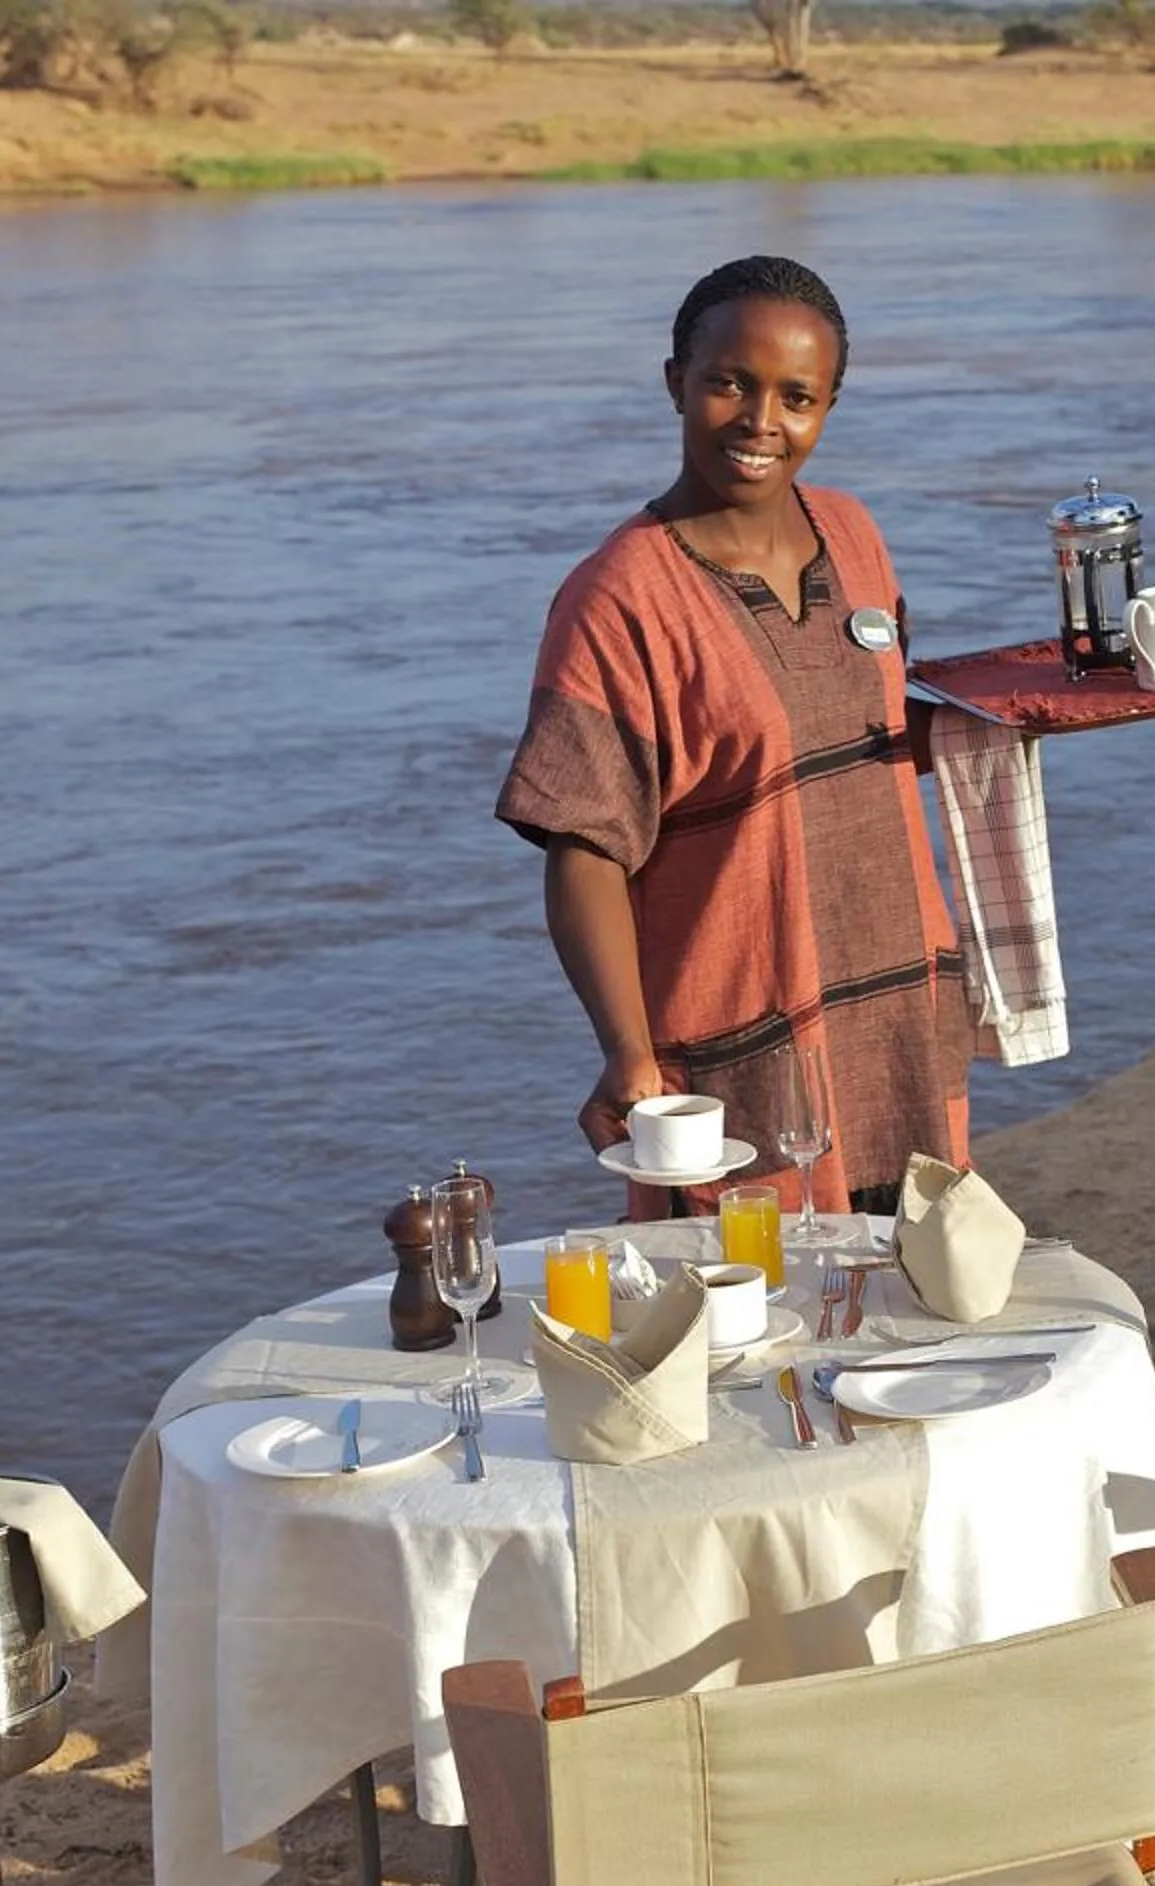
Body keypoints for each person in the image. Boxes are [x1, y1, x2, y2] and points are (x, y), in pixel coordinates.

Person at [497, 254, 972, 1221]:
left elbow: (866, 731)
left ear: (829, 408)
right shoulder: (618, 599)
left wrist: (1032, 712)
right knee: (753, 1331)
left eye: (798, 396)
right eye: (730, 383)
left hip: (893, 1019)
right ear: (676, 380)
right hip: (743, 1039)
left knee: (902, 1327)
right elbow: (585, 846)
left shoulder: (855, 535)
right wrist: (628, 1054)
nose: (762, 422)